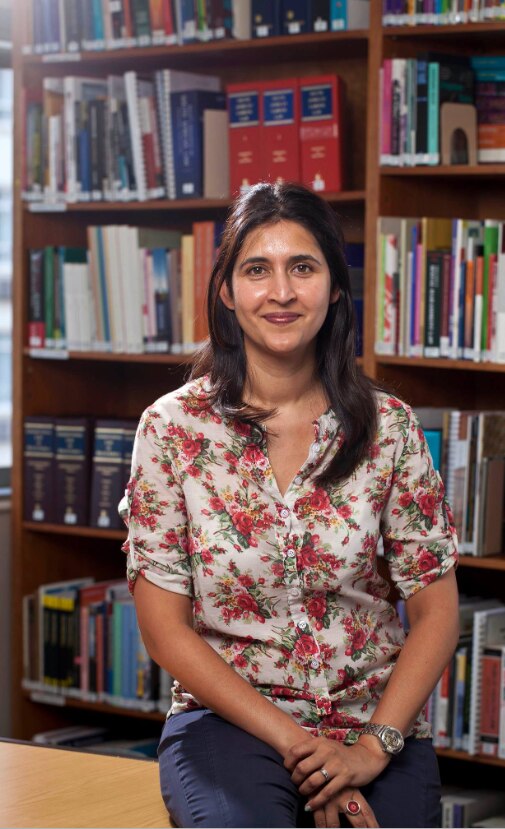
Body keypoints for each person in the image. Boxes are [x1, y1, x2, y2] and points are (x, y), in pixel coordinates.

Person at [120, 182, 460, 829]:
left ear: (334, 287)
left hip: (373, 719)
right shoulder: (171, 428)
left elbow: (437, 610)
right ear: (226, 289)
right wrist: (301, 746)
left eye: (302, 267)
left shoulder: (391, 427)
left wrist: (368, 749)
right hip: (229, 719)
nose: (281, 292)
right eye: (257, 269)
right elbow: (165, 628)